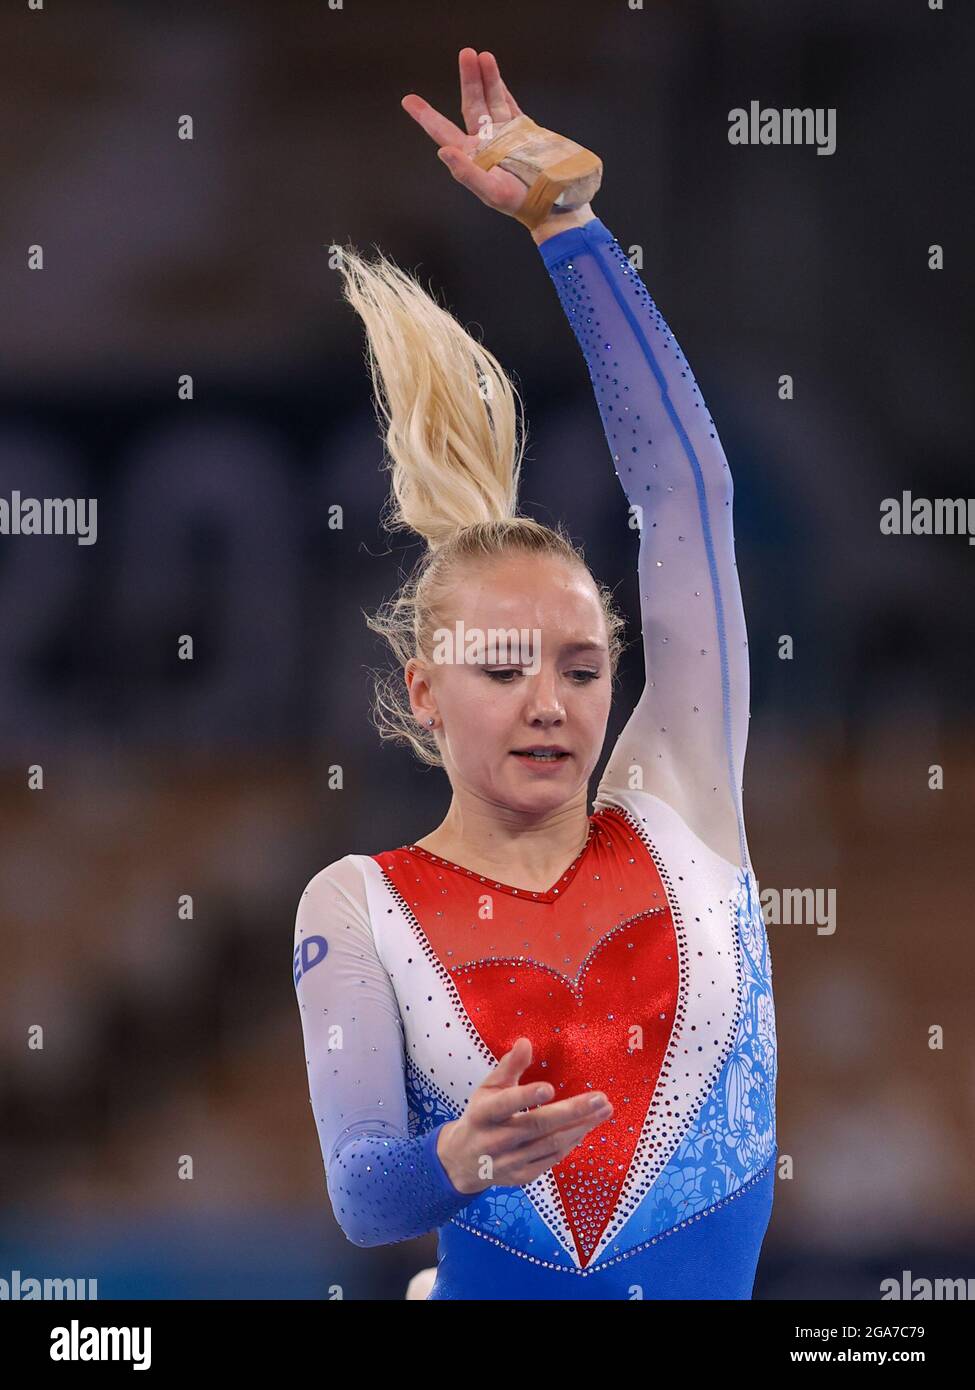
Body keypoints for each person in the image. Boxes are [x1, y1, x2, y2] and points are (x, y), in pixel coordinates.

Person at [293, 48, 777, 1300]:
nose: (551, 700)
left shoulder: (679, 805)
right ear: (425, 691)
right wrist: (450, 1159)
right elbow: (358, 1189)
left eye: (582, 663)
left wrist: (569, 224)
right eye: (504, 667)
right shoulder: (357, 905)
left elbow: (687, 497)